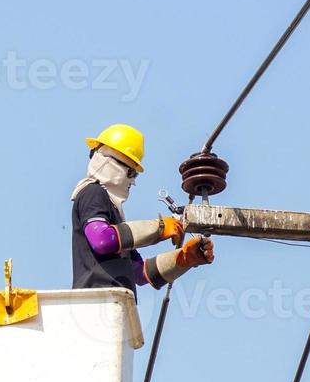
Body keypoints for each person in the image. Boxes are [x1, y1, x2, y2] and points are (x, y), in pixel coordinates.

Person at [71, 124, 215, 292]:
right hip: (95, 302)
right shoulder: (92, 192)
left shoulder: (116, 217)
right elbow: (101, 240)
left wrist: (184, 258)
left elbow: (139, 273)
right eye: (131, 173)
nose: (132, 182)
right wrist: (159, 228)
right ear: (111, 165)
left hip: (116, 304)